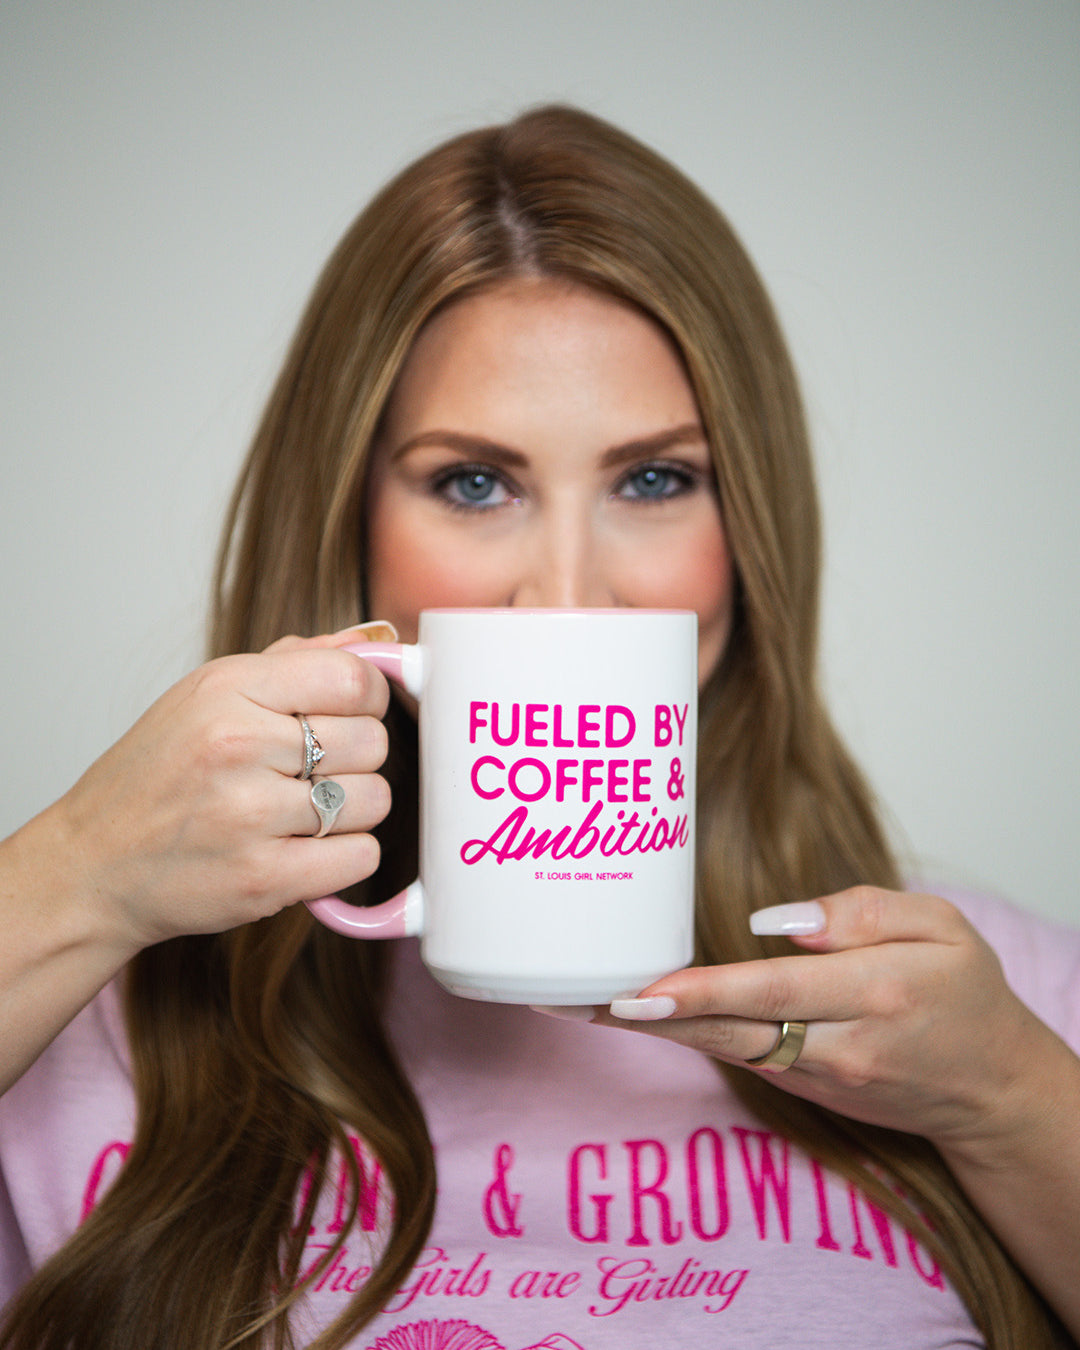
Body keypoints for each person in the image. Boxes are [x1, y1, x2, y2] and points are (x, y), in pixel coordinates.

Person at [0, 105, 1077, 1350]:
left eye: (656, 479)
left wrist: (1009, 1103)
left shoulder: (990, 1007)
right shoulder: (86, 1018)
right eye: (474, 483)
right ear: (350, 519)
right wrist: (75, 875)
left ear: (752, 528)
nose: (566, 596)